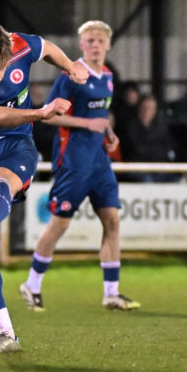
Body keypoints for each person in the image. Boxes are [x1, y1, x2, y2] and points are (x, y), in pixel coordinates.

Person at [0, 19, 88, 354]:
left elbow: (46, 48)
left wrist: (70, 67)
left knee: (2, 182)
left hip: (16, 144)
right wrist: (41, 113)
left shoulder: (20, 45)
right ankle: (5, 334)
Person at [20, 20, 140, 313]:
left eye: (100, 40)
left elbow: (100, 114)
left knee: (112, 221)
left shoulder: (108, 76)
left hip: (99, 162)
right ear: (82, 44)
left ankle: (111, 294)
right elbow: (48, 115)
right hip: (73, 161)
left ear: (108, 44)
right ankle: (31, 285)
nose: (95, 45)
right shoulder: (71, 75)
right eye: (90, 40)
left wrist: (108, 132)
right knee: (60, 223)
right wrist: (87, 124)